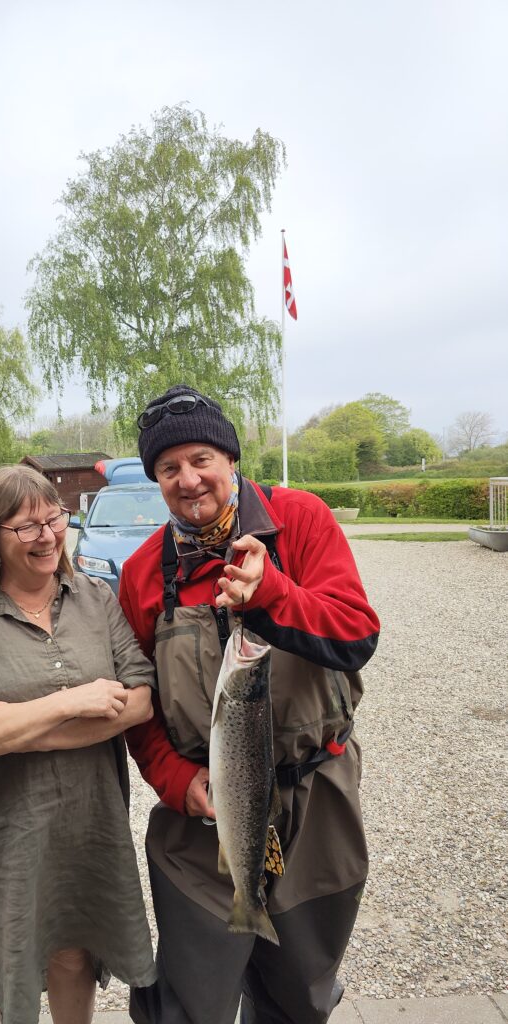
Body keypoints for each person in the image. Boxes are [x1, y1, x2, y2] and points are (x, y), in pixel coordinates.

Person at [119, 384, 381, 1024]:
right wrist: (176, 780)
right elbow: (141, 709)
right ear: (155, 479)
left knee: (300, 992)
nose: (188, 479)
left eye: (201, 459)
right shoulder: (142, 573)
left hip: (316, 797)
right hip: (205, 811)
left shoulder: (301, 520)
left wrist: (273, 595)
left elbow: (357, 635)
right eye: (168, 467)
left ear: (231, 459)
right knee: (188, 997)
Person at [0, 465, 157, 1024]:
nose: (48, 536)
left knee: (74, 953)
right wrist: (69, 702)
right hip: (3, 831)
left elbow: (141, 702)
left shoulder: (96, 599)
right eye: (27, 527)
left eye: (54, 519)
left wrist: (10, 727)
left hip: (88, 821)